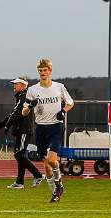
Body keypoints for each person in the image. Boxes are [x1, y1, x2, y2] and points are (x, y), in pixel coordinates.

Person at [22, 58, 74, 203]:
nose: (43, 73)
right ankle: (55, 193)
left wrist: (63, 111)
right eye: (40, 70)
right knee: (46, 164)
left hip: (56, 127)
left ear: (50, 71)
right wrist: (30, 107)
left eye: (45, 70)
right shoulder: (33, 90)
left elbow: (70, 103)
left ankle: (59, 183)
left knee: (52, 160)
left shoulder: (59, 87)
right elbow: (24, 112)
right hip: (40, 128)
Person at [0, 76, 44, 189]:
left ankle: (38, 174)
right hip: (20, 130)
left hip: (24, 130)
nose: (14, 86)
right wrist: (1, 125)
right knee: (20, 155)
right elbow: (13, 114)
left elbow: (17, 114)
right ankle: (19, 182)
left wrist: (6, 125)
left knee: (19, 155)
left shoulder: (24, 96)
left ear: (23, 85)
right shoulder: (21, 96)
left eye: (16, 84)